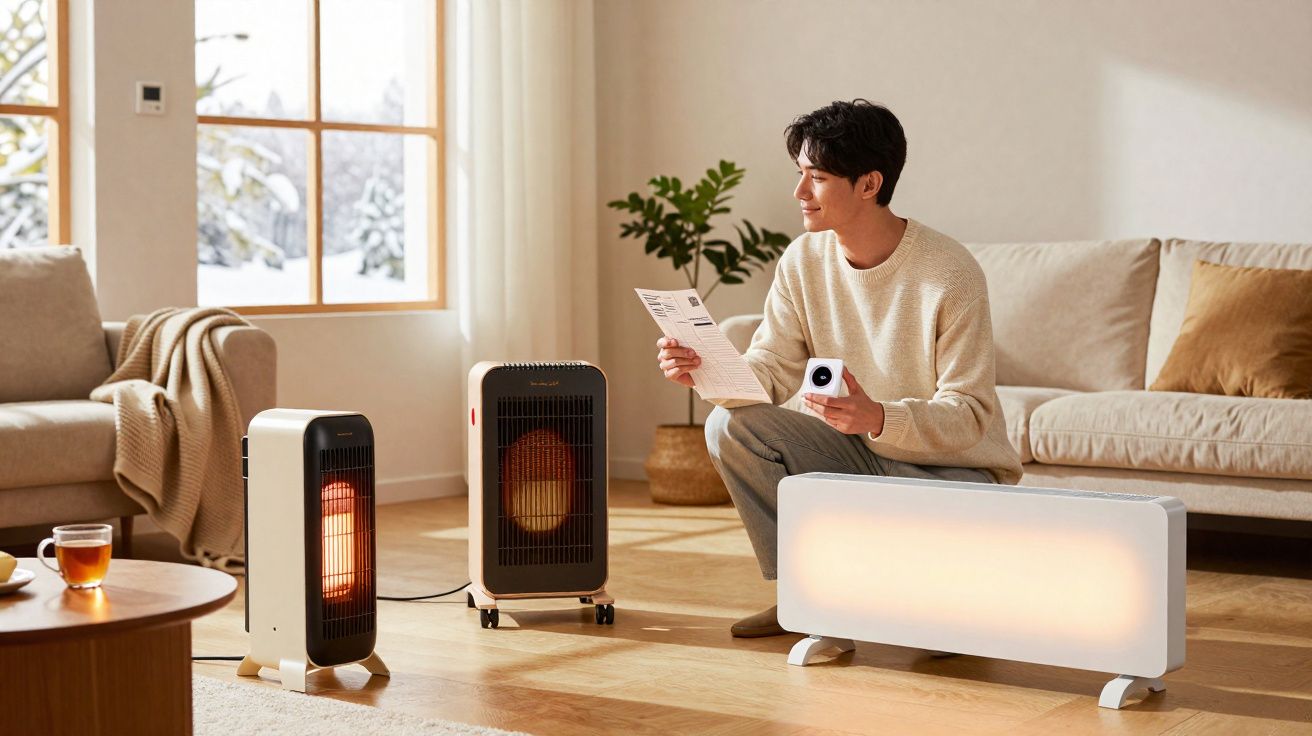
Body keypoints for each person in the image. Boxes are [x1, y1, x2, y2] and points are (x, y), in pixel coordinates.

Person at [654, 99, 1023, 638]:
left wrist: (878, 417)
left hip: (949, 471)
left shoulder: (949, 273)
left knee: (946, 636)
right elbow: (773, 367)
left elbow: (969, 414)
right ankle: (807, 596)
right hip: (855, 452)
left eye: (817, 177)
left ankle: (942, 601)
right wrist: (709, 370)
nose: (800, 193)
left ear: (869, 184)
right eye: (800, 174)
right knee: (729, 426)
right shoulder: (803, 260)